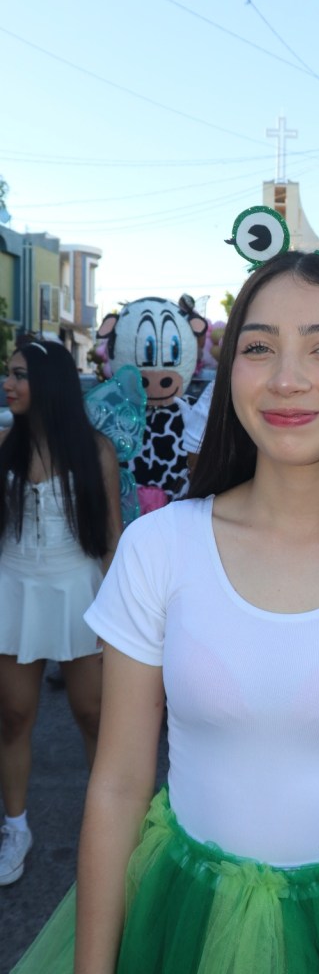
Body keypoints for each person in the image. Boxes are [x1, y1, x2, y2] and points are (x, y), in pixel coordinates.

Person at [12, 251, 319, 973]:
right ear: (229, 370)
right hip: (176, 919)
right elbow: (117, 786)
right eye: (258, 347)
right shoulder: (159, 547)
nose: (286, 378)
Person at [0, 341, 122, 886]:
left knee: (94, 715)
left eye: (19, 375)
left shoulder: (96, 451)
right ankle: (15, 827)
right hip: (13, 591)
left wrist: (121, 619)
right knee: (13, 716)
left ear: (49, 384)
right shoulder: (4, 445)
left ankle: (107, 827)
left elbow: (112, 539)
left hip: (81, 592)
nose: (8, 385)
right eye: (9, 374)